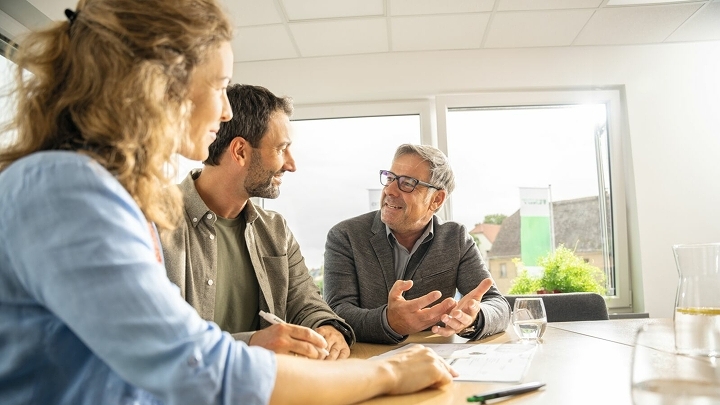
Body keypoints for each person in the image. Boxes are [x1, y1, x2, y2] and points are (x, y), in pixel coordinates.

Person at [0, 1, 456, 404]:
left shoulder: (100, 190)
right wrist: (388, 371)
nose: (223, 111)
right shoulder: (69, 189)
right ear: (161, 85)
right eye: (219, 85)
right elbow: (195, 367)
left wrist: (328, 332)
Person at [161, 83, 355, 360]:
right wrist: (251, 343)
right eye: (281, 149)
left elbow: (305, 301)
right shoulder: (155, 222)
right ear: (240, 151)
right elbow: (158, 340)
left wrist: (326, 327)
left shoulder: (276, 230)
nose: (291, 164)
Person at [324, 144, 511, 344]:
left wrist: (474, 317)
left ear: (436, 200)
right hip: (368, 362)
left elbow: (498, 305)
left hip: (435, 360)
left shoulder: (455, 238)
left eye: (406, 183)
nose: (390, 190)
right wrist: (389, 322)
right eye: (390, 178)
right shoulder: (345, 236)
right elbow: (337, 312)